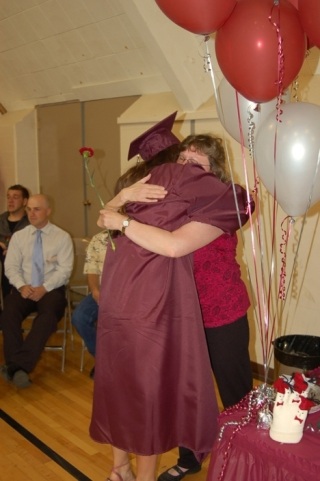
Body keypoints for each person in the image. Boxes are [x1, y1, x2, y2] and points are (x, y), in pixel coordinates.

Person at [89, 112, 253, 481]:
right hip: (175, 313)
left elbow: (174, 247)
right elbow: (106, 221)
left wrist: (126, 222)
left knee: (235, 394)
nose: (186, 167)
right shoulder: (169, 200)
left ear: (215, 172)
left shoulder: (219, 206)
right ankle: (191, 456)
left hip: (218, 313)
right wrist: (124, 196)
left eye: (197, 163)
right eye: (181, 159)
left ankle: (244, 460)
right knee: (182, 390)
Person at [0, 194, 74, 388]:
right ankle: (18, 367)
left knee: (48, 316)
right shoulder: (20, 236)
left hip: (51, 289)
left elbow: (65, 270)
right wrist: (21, 286)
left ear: (48, 211)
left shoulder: (62, 237)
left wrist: (45, 288)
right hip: (24, 287)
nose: (31, 213)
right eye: (29, 209)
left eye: (37, 209)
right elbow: (11, 267)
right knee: (9, 312)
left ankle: (16, 366)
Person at [71, 230, 109, 379]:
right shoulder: (99, 239)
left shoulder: (136, 235)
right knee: (80, 317)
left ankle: (123, 362)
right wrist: (95, 290)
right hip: (103, 292)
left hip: (129, 296)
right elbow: (91, 270)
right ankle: (103, 360)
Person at [0, 184, 30, 302]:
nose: (10, 201)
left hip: (22, 263)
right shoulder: (1, 220)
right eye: (8, 197)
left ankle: (8, 305)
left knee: (10, 259)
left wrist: (13, 251)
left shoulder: (30, 223)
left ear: (25, 201)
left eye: (15, 197)